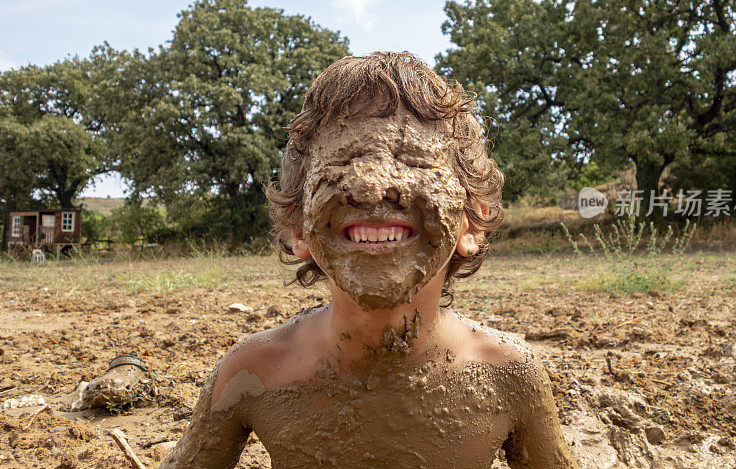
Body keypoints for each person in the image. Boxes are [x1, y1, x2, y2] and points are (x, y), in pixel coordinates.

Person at [162, 52, 576, 468]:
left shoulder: (510, 374)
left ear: (472, 222)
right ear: (299, 226)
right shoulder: (252, 372)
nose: (370, 186)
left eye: (414, 161)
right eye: (342, 161)